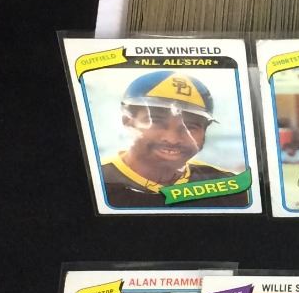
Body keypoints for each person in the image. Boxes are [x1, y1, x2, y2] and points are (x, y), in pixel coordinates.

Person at [101, 70, 245, 208]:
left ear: (205, 131)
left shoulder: (228, 187)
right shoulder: (97, 181)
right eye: (156, 122)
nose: (172, 139)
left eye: (190, 127)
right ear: (128, 121)